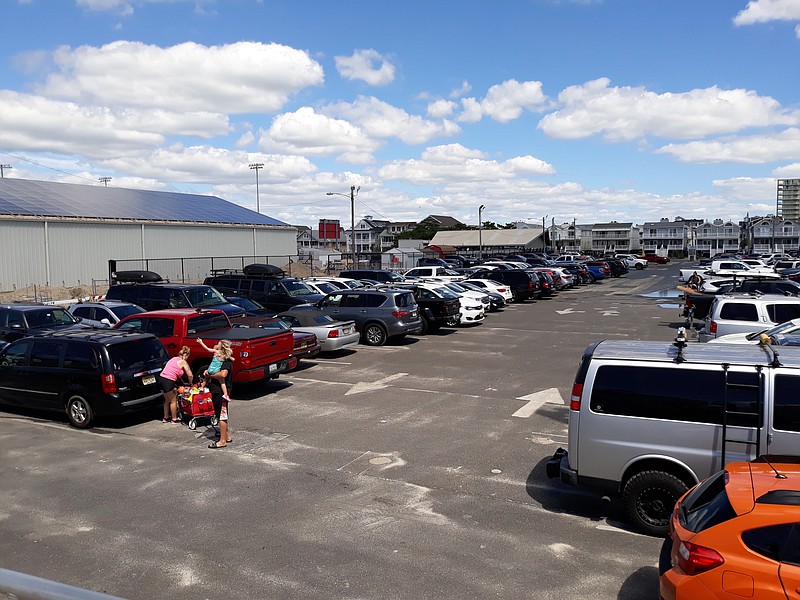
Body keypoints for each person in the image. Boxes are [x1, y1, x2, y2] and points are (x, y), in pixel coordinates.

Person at [200, 339, 233, 448]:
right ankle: (226, 436)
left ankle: (222, 441)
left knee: (222, 416)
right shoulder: (219, 358)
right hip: (216, 391)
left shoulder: (226, 361)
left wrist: (209, 376)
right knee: (221, 414)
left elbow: (223, 374)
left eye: (218, 345)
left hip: (220, 393)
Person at [158, 346, 193, 424]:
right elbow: (190, 374)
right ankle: (174, 418)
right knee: (173, 400)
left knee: (167, 400)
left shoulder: (173, 359)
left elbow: (175, 373)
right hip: (168, 381)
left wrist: (183, 382)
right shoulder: (183, 362)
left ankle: (165, 417)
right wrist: (191, 383)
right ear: (186, 355)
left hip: (161, 379)